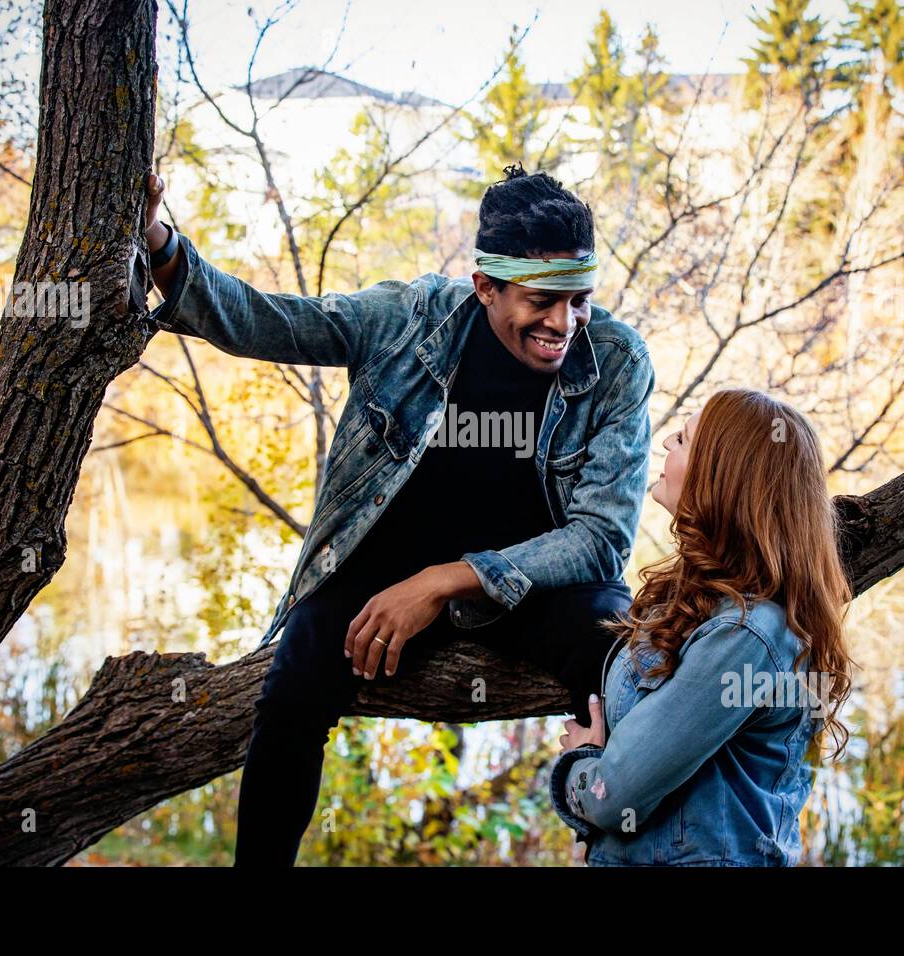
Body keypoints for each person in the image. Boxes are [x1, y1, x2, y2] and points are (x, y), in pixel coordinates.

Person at [141, 162, 655, 865]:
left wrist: (447, 580)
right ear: (485, 286)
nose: (563, 323)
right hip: (382, 574)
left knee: (623, 651)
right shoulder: (409, 320)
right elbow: (266, 323)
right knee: (294, 686)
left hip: (532, 583)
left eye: (580, 300)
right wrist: (158, 241)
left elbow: (600, 541)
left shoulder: (618, 362)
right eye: (542, 301)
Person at [550, 388, 854, 866]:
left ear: (723, 480)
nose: (668, 443)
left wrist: (580, 765)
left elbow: (614, 796)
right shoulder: (702, 607)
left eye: (686, 440)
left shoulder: (748, 635)